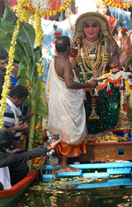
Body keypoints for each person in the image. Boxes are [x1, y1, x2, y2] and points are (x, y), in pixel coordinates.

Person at [47, 36, 97, 172]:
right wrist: (88, 84)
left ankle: (62, 164)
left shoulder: (52, 61)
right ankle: (63, 165)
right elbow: (69, 84)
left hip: (57, 102)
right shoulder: (64, 62)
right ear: (68, 48)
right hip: (65, 103)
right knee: (67, 131)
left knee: (61, 130)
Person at [70, 12, 122, 134]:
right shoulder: (76, 45)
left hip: (104, 83)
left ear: (100, 27)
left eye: (94, 25)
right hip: (84, 84)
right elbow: (72, 69)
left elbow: (114, 67)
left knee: (113, 96)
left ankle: (107, 133)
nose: (90, 29)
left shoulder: (109, 44)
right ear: (82, 28)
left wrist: (116, 79)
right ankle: (85, 135)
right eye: (87, 26)